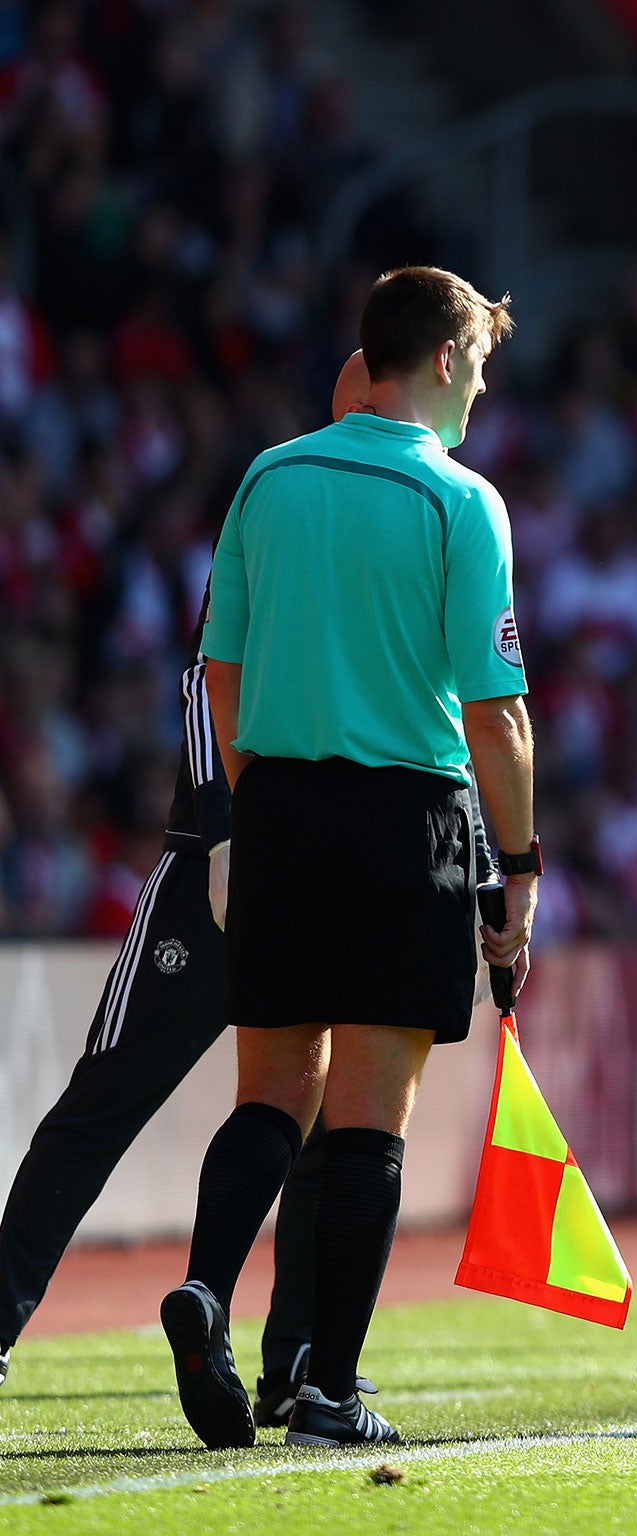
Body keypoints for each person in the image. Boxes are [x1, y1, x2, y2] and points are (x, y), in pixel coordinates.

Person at [0, 352, 475, 1420]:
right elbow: (209, 682)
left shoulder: (314, 499)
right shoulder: (307, 497)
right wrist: (221, 832)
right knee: (142, 1099)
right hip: (234, 857)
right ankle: (283, 1358)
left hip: (283, 854)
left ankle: (291, 1359)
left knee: (309, 1103)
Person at [166, 266, 536, 1450]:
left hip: (277, 806)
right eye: (476, 362)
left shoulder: (269, 476)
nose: (479, 386)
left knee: (272, 1094)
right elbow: (496, 717)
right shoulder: (461, 501)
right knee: (372, 1120)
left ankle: (206, 1292)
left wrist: (255, 790)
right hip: (404, 818)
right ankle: (329, 1388)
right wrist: (516, 865)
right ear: (439, 358)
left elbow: (217, 662)